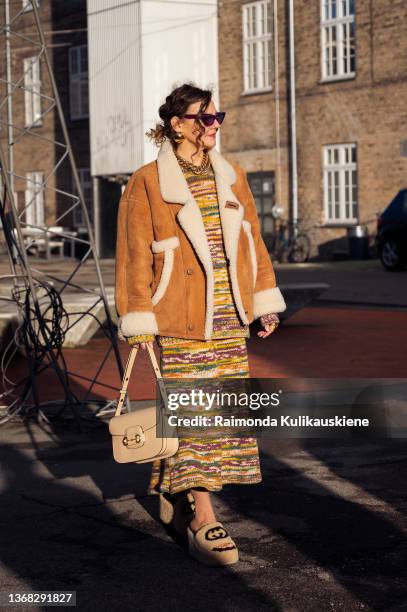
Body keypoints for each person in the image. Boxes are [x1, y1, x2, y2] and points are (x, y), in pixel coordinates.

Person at [114, 82, 286, 566]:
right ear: (178, 125)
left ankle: (179, 495)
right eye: (206, 118)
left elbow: (254, 244)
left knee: (222, 419)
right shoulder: (147, 181)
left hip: (230, 316)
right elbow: (132, 257)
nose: (214, 126)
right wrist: (139, 317)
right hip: (179, 317)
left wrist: (264, 304)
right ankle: (203, 518)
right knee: (194, 419)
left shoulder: (233, 176)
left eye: (218, 118)